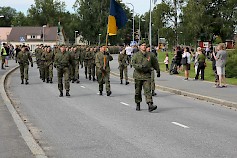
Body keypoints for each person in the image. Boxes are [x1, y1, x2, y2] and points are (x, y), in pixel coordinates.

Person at [132, 41, 160, 112]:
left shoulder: (150, 55)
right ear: (139, 47)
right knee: (138, 91)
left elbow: (155, 63)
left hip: (147, 75)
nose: (144, 47)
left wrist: (158, 70)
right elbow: (133, 63)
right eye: (142, 45)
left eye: (145, 45)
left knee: (148, 90)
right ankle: (138, 103)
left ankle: (150, 104)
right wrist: (140, 67)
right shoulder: (136, 55)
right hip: (138, 75)